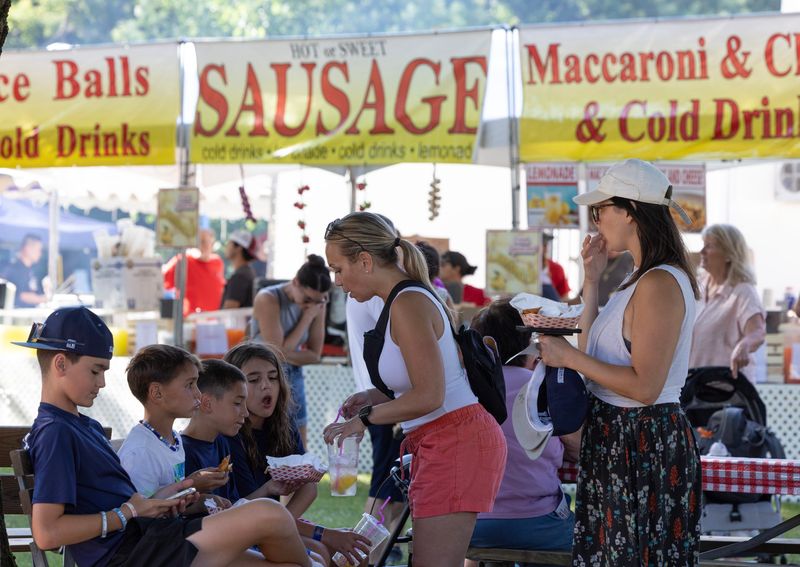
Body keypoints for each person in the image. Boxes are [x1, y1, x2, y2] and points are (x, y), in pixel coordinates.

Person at [14, 305, 321, 567]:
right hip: (133, 554)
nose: (103, 383)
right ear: (60, 364)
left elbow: (126, 500)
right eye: (96, 371)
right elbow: (48, 533)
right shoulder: (55, 432)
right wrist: (130, 512)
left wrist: (174, 494)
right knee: (271, 514)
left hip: (151, 539)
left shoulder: (83, 426)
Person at [536, 159, 702, 564]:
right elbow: (597, 350)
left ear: (628, 210)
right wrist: (591, 280)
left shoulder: (660, 282)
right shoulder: (639, 277)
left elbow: (644, 386)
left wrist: (570, 356)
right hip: (622, 439)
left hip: (643, 442)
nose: (595, 221)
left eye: (600, 210)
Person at [322, 212, 506, 567]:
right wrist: (373, 396)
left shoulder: (407, 302)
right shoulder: (404, 299)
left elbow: (430, 395)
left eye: (338, 269)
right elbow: (428, 380)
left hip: (456, 440)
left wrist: (365, 418)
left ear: (364, 261)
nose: (337, 281)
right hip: (444, 439)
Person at [466, 299, 578, 561]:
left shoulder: (463, 389)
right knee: (589, 537)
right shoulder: (547, 388)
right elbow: (577, 449)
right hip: (539, 522)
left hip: (473, 524)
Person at [118, 345, 230, 511]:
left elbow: (173, 507)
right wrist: (191, 485)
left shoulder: (173, 439)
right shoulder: (141, 452)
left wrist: (202, 499)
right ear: (157, 393)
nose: (198, 394)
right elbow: (139, 516)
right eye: (189, 385)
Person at [250, 254, 331, 447]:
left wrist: (285, 354)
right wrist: (307, 318)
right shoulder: (268, 298)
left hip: (292, 372)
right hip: (260, 373)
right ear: (295, 282)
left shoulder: (318, 303)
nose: (312, 305)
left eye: (318, 301)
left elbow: (314, 355)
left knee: (298, 434)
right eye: (308, 298)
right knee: (263, 432)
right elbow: (276, 353)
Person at [689, 224, 766, 383]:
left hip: (727, 393)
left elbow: (757, 332)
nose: (702, 252)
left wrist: (744, 345)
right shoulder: (699, 287)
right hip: (696, 389)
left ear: (729, 254)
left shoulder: (743, 291)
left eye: (709, 246)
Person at [182, 359, 249, 503]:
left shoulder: (222, 442)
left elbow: (233, 502)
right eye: (237, 403)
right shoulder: (184, 451)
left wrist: (270, 488)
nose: (246, 413)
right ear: (207, 403)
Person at [163, 225, 225, 316]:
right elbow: (161, 280)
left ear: (212, 243)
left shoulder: (217, 262)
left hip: (213, 319)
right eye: (196, 242)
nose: (199, 246)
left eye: (203, 242)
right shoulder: (182, 261)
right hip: (189, 320)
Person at [1, 233, 47, 308]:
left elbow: (33, 292)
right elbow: (22, 296)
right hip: (17, 317)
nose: (40, 254)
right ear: (28, 248)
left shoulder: (30, 271)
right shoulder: (14, 269)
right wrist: (45, 298)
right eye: (38, 250)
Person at [220, 230, 258, 309]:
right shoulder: (247, 273)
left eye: (229, 243)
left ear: (239, 247)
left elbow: (229, 311)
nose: (226, 246)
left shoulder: (240, 277)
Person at [540, 233, 570, 302]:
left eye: (545, 244)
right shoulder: (519, 269)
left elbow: (565, 298)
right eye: (542, 244)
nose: (545, 248)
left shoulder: (557, 269)